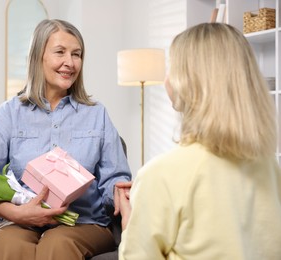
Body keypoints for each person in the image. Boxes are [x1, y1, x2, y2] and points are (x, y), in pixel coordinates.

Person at [118, 23, 281, 259]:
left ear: (189, 82)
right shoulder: (269, 167)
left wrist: (129, 221)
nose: (166, 80)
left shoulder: (161, 175)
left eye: (172, 69)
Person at [0, 19, 131, 260]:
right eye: (60, 52)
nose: (70, 62)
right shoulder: (9, 113)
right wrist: (18, 214)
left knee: (57, 244)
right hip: (20, 222)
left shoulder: (96, 114)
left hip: (84, 222)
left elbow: (115, 180)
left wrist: (121, 193)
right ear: (38, 57)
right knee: (3, 246)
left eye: (76, 54)